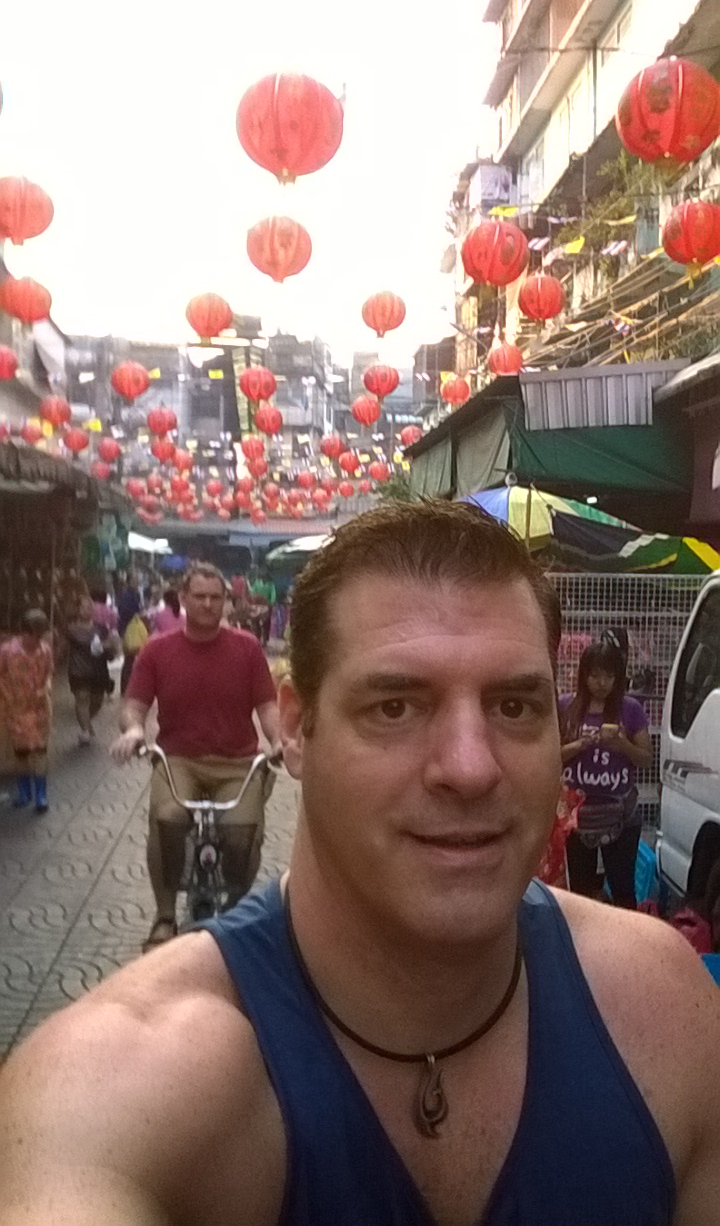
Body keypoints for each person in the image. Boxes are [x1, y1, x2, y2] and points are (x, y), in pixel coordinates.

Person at [1, 502, 719, 1226]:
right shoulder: (123, 1086)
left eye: (513, 706)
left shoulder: (661, 1010)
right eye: (395, 707)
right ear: (297, 729)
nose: (470, 768)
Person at [109, 561, 281, 951]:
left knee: (243, 831)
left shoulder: (247, 648)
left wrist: (278, 741)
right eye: (199, 596)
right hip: (178, 761)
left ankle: (236, 904)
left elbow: (268, 706)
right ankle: (165, 914)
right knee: (166, 819)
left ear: (226, 602)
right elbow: (134, 705)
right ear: (183, 599)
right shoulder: (157, 650)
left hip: (237, 763)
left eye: (215, 597)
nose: (207, 604)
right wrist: (134, 730)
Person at [560, 641, 653, 908]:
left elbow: (646, 760)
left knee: (623, 890)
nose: (602, 683)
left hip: (622, 815)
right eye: (595, 675)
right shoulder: (566, 706)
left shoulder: (630, 708)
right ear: (584, 675)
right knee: (580, 892)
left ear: (618, 677)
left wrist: (622, 745)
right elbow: (550, 756)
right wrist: (578, 746)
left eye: (609, 676)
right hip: (577, 816)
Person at [0, 609, 53, 813]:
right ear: (24, 632)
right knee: (21, 753)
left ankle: (41, 795)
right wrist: (8, 695)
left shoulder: (45, 650)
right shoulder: (7, 651)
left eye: (40, 636)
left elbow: (49, 673)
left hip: (39, 710)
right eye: (34, 636)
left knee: (40, 751)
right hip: (15, 711)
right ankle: (24, 792)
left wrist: (46, 687)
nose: (38, 641)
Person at [66, 596, 120, 745]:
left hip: (98, 670)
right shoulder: (71, 629)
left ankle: (86, 721)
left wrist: (112, 647)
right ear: (77, 609)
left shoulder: (101, 628)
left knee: (97, 701)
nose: (87, 610)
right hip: (78, 670)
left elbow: (110, 648)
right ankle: (85, 731)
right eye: (83, 607)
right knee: (82, 698)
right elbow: (72, 645)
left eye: (89, 607)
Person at [248, 563, 276, 647]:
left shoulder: (270, 584)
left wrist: (270, 603)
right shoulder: (257, 582)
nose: (263, 578)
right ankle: (257, 638)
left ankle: (265, 639)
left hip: (266, 605)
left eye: (265, 577)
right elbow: (253, 592)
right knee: (255, 621)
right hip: (257, 605)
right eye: (262, 577)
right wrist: (254, 598)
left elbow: (273, 595)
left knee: (266, 623)